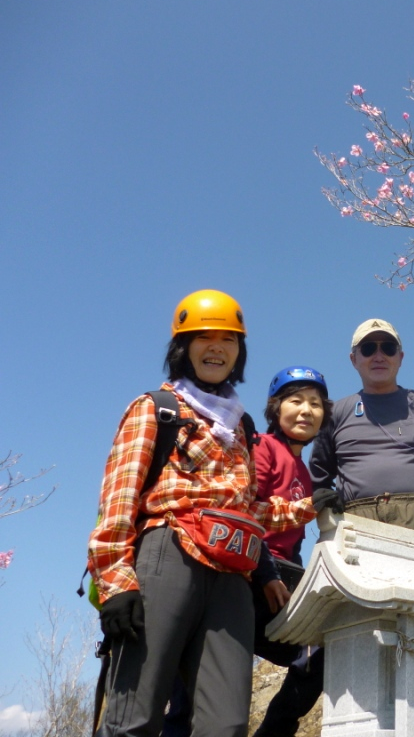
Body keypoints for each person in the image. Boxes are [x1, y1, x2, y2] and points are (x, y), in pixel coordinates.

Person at [87, 290, 317, 737]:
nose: (217, 348)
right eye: (203, 338)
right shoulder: (156, 408)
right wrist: (115, 582)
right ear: (182, 348)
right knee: (134, 715)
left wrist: (311, 507)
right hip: (168, 553)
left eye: (229, 340)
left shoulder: (242, 426)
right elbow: (118, 498)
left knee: (226, 723)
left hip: (233, 572)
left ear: (240, 352)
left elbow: (247, 509)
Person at [310, 318, 414, 537]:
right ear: (353, 359)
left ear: (400, 357)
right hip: (355, 524)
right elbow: (317, 478)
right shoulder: (335, 414)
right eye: (368, 349)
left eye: (388, 348)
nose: (379, 356)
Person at [250, 367, 331, 737]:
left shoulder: (304, 469)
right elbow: (247, 511)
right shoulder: (262, 447)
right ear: (275, 408)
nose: (305, 410)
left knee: (320, 656)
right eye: (295, 400)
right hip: (250, 571)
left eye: (315, 404)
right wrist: (308, 507)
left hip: (284, 574)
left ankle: (274, 730)